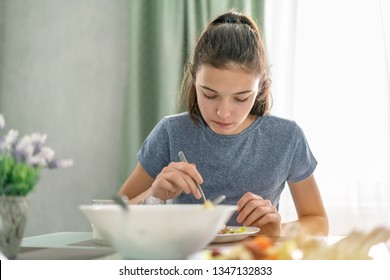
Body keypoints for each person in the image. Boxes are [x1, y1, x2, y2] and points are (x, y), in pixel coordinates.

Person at [119, 11, 328, 237]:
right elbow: (114, 215)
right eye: (209, 95)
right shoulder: (171, 132)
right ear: (194, 79)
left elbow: (318, 222)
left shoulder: (287, 137)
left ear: (261, 88)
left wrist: (278, 230)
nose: (223, 112)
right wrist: (153, 195)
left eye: (241, 98)